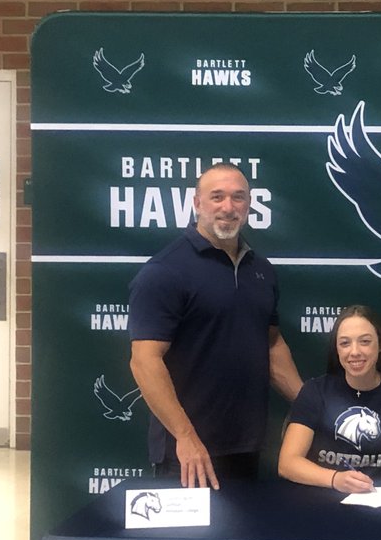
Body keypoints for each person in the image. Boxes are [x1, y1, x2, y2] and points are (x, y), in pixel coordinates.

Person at [128, 163, 303, 489]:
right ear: (196, 203)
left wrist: (309, 405)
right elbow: (144, 361)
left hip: (247, 446)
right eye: (217, 197)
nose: (228, 207)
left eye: (238, 198)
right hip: (188, 454)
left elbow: (272, 345)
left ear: (249, 205)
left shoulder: (260, 270)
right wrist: (185, 437)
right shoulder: (165, 271)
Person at [278, 305, 381, 493]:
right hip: (321, 502)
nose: (354, 351)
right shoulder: (314, 391)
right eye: (345, 343)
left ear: (380, 345)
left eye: (364, 341)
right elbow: (288, 463)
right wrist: (335, 479)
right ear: (337, 349)